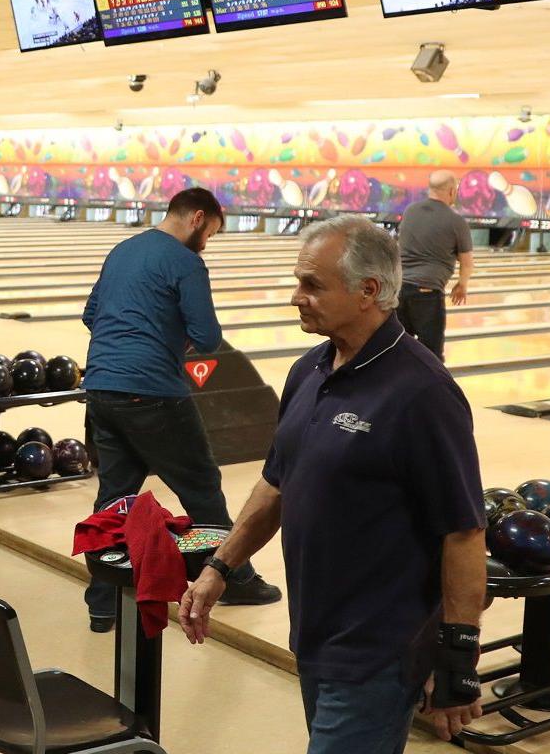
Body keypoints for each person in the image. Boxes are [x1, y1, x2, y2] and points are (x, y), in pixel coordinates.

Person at [180, 215, 487, 752]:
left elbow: (463, 533)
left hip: (377, 650)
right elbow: (276, 484)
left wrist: (458, 660)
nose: (296, 297)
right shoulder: (309, 370)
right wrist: (219, 567)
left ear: (368, 290)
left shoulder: (423, 394)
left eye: (312, 285)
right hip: (314, 633)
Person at [80, 186, 280, 632]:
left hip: (101, 388)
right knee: (202, 486)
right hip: (152, 392)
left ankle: (103, 601)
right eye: (211, 231)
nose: (208, 241)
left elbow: (92, 314)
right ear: (197, 217)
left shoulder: (124, 249)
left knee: (116, 496)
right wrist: (168, 339)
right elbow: (207, 337)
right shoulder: (187, 261)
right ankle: (236, 578)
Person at [397, 170, 473, 361]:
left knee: (396, 350)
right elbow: (466, 262)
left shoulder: (410, 211)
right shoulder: (457, 221)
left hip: (398, 290)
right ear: (451, 191)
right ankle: (426, 391)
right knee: (431, 357)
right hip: (427, 293)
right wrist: (462, 285)